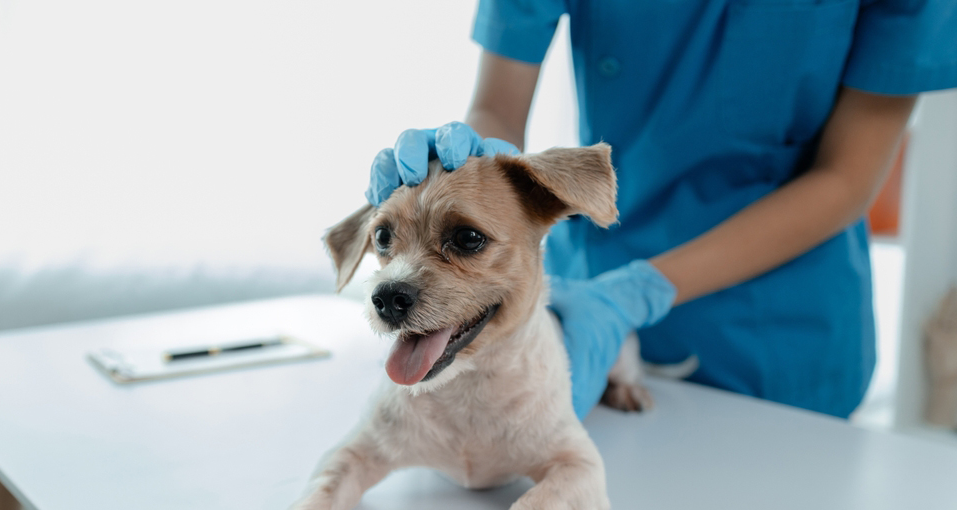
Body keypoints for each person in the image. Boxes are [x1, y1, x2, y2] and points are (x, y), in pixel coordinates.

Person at [365, 0, 957, 419]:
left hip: (778, 338)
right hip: (586, 323)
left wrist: (637, 291)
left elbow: (846, 178)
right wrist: (463, 164)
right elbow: (498, 107)